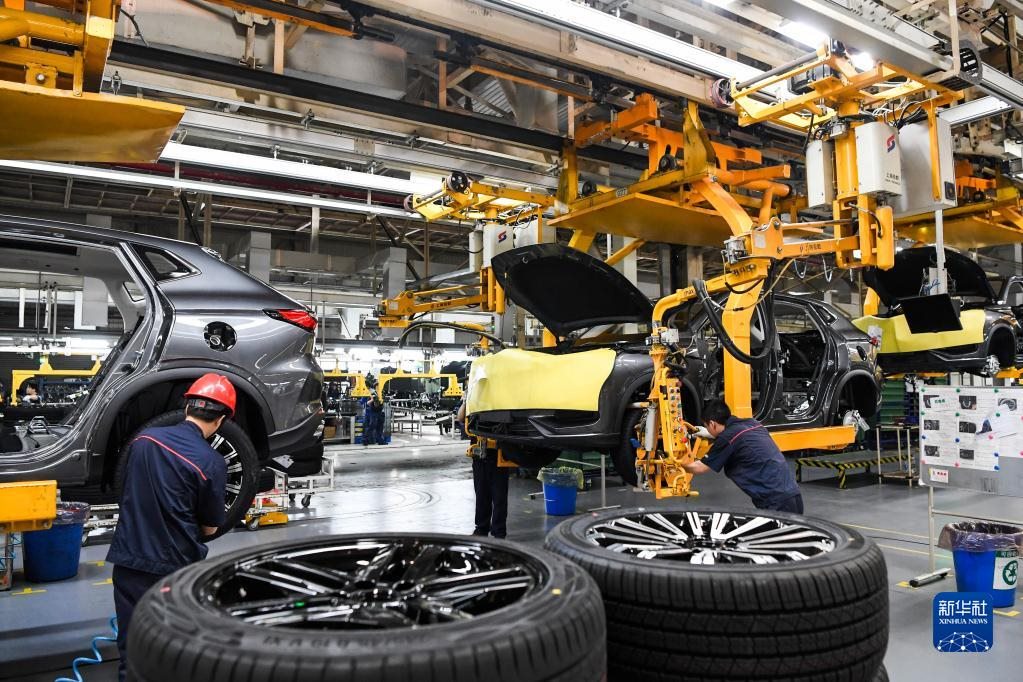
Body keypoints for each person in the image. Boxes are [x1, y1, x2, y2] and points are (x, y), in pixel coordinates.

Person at [106, 373, 235, 681]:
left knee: (132, 645)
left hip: (128, 559)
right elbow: (209, 529)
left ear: (187, 407)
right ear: (220, 420)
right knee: (173, 650)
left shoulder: (143, 440)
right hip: (173, 568)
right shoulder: (211, 462)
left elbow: (125, 492)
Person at [682, 399, 804, 513]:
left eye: (707, 427)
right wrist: (709, 434)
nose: (707, 430)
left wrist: (677, 464)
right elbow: (737, 437)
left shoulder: (727, 438)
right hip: (792, 494)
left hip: (775, 502)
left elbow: (700, 468)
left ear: (712, 424)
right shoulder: (752, 423)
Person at [458, 394, 509, 538]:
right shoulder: (473, 398)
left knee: (499, 498)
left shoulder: (500, 400)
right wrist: (466, 400)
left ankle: (499, 532)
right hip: (479, 457)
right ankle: (481, 529)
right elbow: (460, 417)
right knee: (481, 495)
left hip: (498, 456)